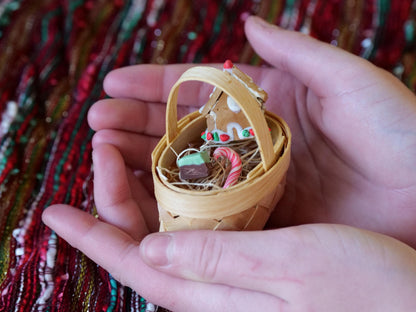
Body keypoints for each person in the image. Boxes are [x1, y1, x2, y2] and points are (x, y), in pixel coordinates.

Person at [42, 16, 416, 311]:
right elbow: (206, 152)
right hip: (212, 165)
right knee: (187, 153)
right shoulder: (207, 137)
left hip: (238, 165)